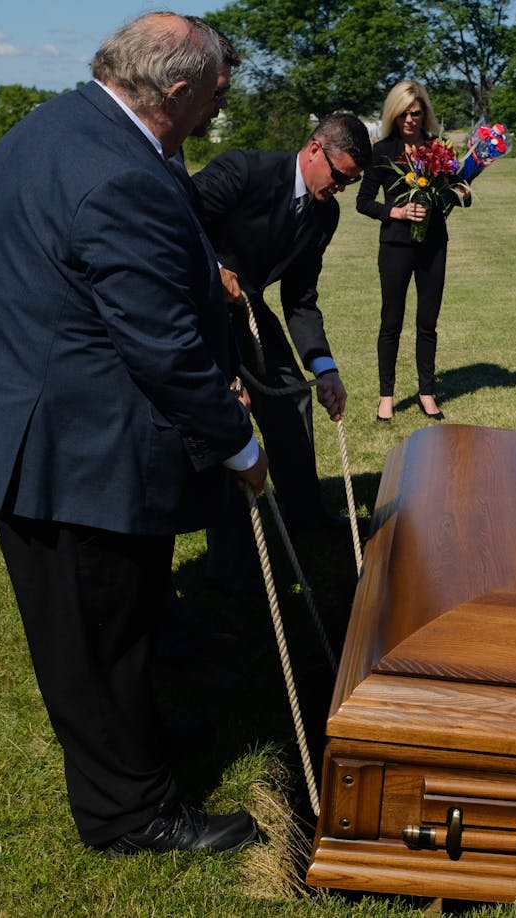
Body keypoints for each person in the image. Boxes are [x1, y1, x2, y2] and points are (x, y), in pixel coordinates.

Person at [0, 12, 267, 855]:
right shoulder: (119, 174)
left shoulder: (52, 125)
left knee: (123, 622)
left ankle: (136, 749)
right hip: (68, 452)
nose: (220, 111)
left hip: (40, 419)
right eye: (216, 95)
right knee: (95, 640)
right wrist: (241, 444)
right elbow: (158, 347)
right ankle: (129, 813)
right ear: (178, 89)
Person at [190, 114, 371, 588]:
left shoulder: (324, 214)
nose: (342, 190)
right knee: (226, 419)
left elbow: (300, 298)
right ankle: (230, 561)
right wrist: (212, 267)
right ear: (314, 150)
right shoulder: (242, 172)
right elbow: (173, 219)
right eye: (339, 177)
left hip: (246, 306)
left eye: (350, 183)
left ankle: (306, 514)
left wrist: (325, 368)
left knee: (292, 394)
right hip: (190, 309)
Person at [356, 80, 470, 422]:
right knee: (391, 322)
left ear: (425, 114)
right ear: (394, 114)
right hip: (395, 245)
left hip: (434, 244)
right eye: (404, 113)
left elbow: (451, 189)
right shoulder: (381, 151)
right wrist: (397, 212)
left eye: (416, 113)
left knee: (428, 322)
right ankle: (386, 396)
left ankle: (427, 392)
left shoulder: (438, 149)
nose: (410, 119)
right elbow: (363, 202)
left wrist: (461, 192)